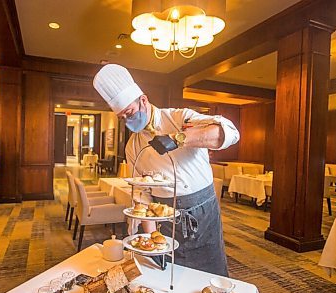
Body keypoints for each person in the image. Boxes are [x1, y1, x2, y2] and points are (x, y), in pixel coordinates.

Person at [93, 64, 239, 276]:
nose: (127, 120)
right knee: (172, 275)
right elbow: (142, 196)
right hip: (165, 218)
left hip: (202, 213)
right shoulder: (133, 146)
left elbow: (230, 133)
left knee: (210, 273)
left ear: (143, 100)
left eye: (130, 112)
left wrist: (178, 138)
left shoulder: (179, 119)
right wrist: (151, 240)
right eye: (122, 117)